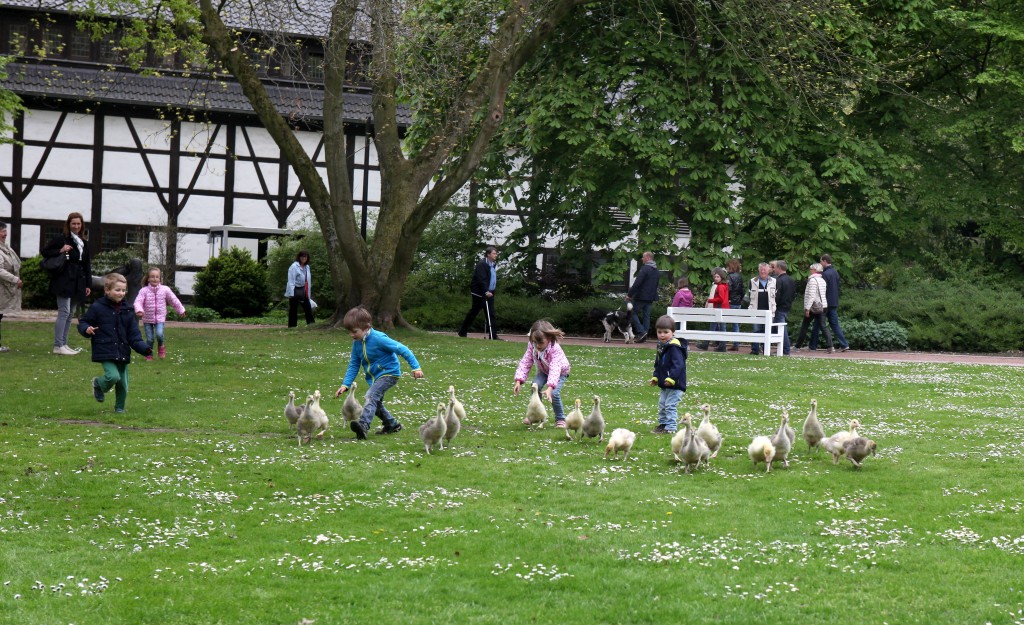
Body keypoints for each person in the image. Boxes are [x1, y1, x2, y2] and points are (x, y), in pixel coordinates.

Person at [335, 306, 424, 439]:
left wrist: (416, 367)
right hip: (375, 378)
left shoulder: (378, 338)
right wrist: (345, 384)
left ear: (366, 327)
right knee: (375, 404)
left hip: (389, 373)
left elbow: (402, 349)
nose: (352, 335)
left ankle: (363, 426)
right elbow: (354, 364)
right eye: (349, 332)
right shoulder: (357, 343)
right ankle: (392, 424)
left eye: (354, 331)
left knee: (370, 397)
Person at [78, 273, 153, 414]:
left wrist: (144, 348)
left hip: (122, 350)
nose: (121, 293)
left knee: (123, 383)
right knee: (113, 376)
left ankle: (119, 409)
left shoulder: (127, 310)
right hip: (105, 349)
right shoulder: (98, 307)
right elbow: (84, 322)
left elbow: (134, 335)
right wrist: (86, 329)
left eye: (124, 290)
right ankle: (99, 384)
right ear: (107, 290)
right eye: (117, 290)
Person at [43, 212, 92, 355]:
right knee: (64, 312)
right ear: (69, 224)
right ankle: (58, 345)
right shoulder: (62, 239)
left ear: (82, 225)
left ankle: (64, 344)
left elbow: (87, 265)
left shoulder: (83, 242)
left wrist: (88, 284)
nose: (76, 226)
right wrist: (61, 250)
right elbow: (45, 252)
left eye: (78, 224)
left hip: (78, 282)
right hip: (63, 281)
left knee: (70, 314)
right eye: (73, 223)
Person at [514, 320, 572, 428]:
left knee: (554, 394)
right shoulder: (532, 346)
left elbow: (555, 369)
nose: (537, 345)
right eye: (534, 342)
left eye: (540, 342)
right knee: (535, 387)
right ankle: (535, 415)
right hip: (544, 371)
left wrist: (550, 387)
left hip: (560, 373)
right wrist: (519, 380)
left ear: (549, 338)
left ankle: (560, 419)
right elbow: (526, 362)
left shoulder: (555, 349)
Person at [134, 266, 186, 361]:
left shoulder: (165, 289)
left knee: (159, 334)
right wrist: (139, 310)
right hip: (147, 318)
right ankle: (149, 353)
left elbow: (173, 300)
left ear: (160, 279)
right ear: (148, 278)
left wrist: (181, 310)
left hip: (160, 318)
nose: (155, 279)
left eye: (157, 277)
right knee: (150, 339)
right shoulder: (143, 291)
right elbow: (138, 301)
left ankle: (161, 346)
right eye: (152, 277)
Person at [649, 315, 687, 435]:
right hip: (665, 383)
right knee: (662, 405)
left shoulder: (674, 347)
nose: (662, 335)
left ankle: (671, 427)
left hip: (675, 384)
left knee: (670, 405)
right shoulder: (661, 346)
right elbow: (658, 364)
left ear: (673, 332)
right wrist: (656, 376)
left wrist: (672, 378)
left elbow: (678, 365)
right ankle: (663, 424)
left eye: (666, 332)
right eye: (659, 332)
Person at [458, 246, 499, 339]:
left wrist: (491, 290)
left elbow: (491, 278)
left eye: (496, 253)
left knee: (491, 313)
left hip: (490, 292)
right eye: (494, 253)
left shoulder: (493, 264)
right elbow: (481, 280)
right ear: (488, 254)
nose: (495, 255)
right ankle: (462, 331)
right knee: (474, 312)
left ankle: (493, 335)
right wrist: (486, 291)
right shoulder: (482, 264)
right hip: (480, 293)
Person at [793, 263, 834, 353]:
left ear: (815, 270)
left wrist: (807, 308)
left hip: (813, 307)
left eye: (811, 269)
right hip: (823, 306)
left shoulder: (812, 280)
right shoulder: (822, 280)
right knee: (823, 326)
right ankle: (830, 346)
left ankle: (797, 346)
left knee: (805, 326)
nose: (810, 271)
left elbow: (811, 296)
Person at [816, 253, 850, 352]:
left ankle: (814, 345)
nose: (820, 263)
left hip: (825, 302)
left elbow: (823, 289)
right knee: (834, 324)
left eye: (821, 261)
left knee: (819, 324)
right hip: (834, 301)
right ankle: (844, 344)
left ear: (824, 261)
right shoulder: (835, 272)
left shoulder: (825, 274)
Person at [626, 251, 660, 343]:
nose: (642, 259)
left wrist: (630, 294)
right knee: (646, 316)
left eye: (643, 257)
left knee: (632, 313)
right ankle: (644, 336)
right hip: (651, 297)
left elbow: (637, 283)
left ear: (647, 258)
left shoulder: (645, 269)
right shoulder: (656, 270)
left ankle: (642, 332)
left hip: (641, 296)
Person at [0, 221, 24, 353]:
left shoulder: (6, 248)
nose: (5, 234)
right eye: (2, 231)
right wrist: (15, 280)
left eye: (5, 231)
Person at [747, 262, 777, 355]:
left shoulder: (774, 281)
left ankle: (766, 350)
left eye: (764, 270)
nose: (763, 271)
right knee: (756, 330)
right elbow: (748, 296)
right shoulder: (752, 281)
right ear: (758, 270)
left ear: (768, 271)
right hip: (756, 310)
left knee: (767, 331)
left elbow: (776, 296)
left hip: (769, 310)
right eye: (761, 270)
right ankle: (755, 350)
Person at [697, 267, 729, 352]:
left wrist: (710, 300)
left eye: (718, 277)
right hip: (721, 307)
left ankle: (717, 345)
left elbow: (721, 299)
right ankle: (713, 345)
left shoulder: (720, 286)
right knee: (717, 327)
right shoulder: (723, 285)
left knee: (718, 327)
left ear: (721, 277)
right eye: (715, 277)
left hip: (720, 307)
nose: (716, 278)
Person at [770, 260, 797, 356]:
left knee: (781, 328)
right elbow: (794, 294)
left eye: (775, 267)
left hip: (779, 307)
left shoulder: (778, 280)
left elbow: (777, 295)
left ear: (779, 268)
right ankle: (781, 348)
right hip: (787, 306)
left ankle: (785, 349)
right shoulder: (791, 280)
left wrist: (774, 304)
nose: (774, 269)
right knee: (779, 327)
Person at [284, 250, 315, 328]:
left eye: (305, 257)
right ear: (299, 257)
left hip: (304, 290)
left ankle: (311, 324)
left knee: (307, 307)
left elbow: (308, 280)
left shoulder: (307, 267)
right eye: (302, 257)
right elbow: (291, 280)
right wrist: (291, 293)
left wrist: (308, 292)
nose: (304, 258)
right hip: (295, 290)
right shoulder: (294, 266)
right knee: (293, 309)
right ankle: (292, 326)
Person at [725, 258, 745, 351]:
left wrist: (727, 299)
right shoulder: (739, 277)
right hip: (737, 302)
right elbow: (742, 290)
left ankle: (722, 342)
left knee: (723, 322)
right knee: (736, 323)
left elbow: (728, 289)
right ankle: (736, 343)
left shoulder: (729, 277)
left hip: (731, 301)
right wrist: (740, 299)